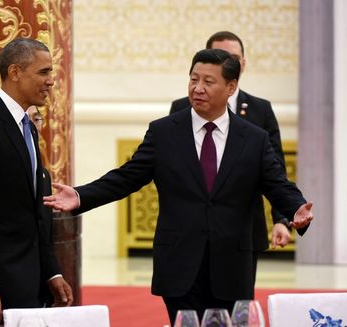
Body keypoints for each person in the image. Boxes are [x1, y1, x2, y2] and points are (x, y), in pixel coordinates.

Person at [43, 49, 313, 323]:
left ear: (231, 87)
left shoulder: (253, 139)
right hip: (180, 262)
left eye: (209, 82)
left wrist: (295, 209)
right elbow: (127, 177)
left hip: (232, 264)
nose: (198, 88)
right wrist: (81, 195)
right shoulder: (164, 132)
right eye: (193, 79)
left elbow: (277, 183)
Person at [0, 38, 73, 325]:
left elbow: (35, 214)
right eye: (43, 72)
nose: (51, 81)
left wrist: (52, 272)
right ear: (15, 72)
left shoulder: (27, 128)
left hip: (31, 283)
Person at [170, 31, 304, 281]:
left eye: (234, 57)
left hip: (244, 229)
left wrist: (281, 219)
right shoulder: (182, 108)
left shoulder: (260, 110)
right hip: (191, 230)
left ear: (242, 63)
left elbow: (275, 171)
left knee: (236, 308)